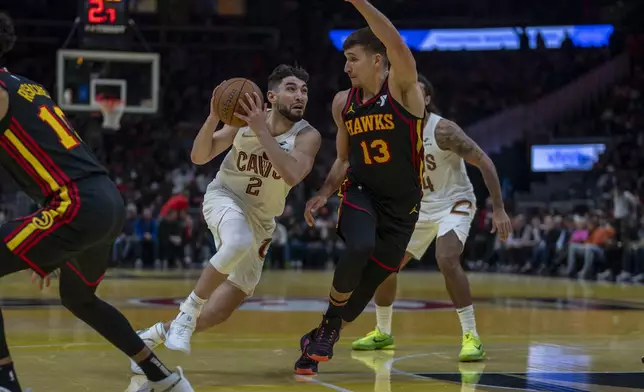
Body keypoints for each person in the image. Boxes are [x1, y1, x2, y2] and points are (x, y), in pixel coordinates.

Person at [0, 13, 193, 392]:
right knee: (78, 298)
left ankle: (6, 382)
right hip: (105, 202)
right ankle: (162, 377)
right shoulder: (27, 87)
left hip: (74, 205)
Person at [130, 64, 321, 363]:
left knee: (220, 311)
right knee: (236, 241)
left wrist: (261, 130)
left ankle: (154, 334)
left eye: (304, 90)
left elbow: (292, 174)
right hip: (225, 197)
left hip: (262, 220)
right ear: (271, 96)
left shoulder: (307, 136)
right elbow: (199, 156)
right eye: (292, 88)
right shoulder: (241, 121)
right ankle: (187, 311)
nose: (300, 96)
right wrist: (213, 118)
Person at [295, 0, 427, 375]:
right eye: (344, 59)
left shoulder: (404, 89)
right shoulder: (343, 103)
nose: (346, 66)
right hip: (361, 192)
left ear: (377, 60)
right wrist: (323, 192)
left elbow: (398, 44)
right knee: (360, 245)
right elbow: (342, 159)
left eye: (352, 58)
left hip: (403, 207)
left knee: (362, 295)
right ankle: (325, 334)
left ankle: (321, 335)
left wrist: (359, 4)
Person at [350, 74, 512, 362]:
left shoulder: (444, 131)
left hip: (454, 201)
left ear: (426, 99)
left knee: (446, 258)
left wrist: (498, 208)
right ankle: (383, 332)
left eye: (415, 93)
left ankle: (471, 336)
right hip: (419, 207)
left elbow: (484, 161)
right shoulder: (391, 132)